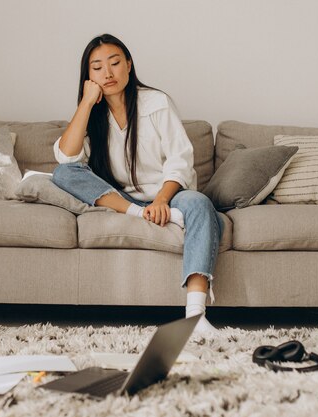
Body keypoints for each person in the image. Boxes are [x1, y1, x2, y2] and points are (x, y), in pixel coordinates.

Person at [52, 34, 224, 335]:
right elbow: (67, 158)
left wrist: (161, 201)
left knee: (199, 203)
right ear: (87, 76)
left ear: (129, 66)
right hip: (124, 200)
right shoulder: (93, 115)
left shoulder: (156, 103)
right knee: (63, 173)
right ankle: (136, 212)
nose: (108, 73)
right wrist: (86, 103)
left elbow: (180, 160)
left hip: (169, 195)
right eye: (97, 67)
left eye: (115, 63)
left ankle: (195, 316)